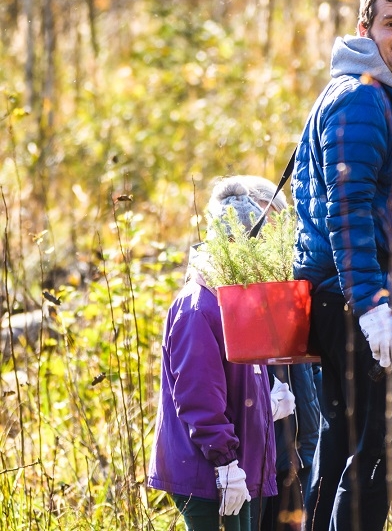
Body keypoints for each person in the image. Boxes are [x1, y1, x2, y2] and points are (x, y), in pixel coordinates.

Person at [291, 0, 392, 531]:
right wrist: (373, 303)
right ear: (364, 29)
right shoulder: (362, 100)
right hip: (355, 297)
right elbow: (344, 208)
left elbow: (357, 199)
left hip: (342, 291)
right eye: (391, 23)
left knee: (344, 443)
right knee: (388, 449)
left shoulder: (372, 95)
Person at [147, 176, 297, 531]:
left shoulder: (234, 298)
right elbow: (199, 396)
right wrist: (224, 462)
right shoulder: (198, 307)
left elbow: (243, 379)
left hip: (241, 466)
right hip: (208, 475)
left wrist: (267, 403)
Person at [240, 175, 322, 531]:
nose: (267, 238)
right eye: (260, 224)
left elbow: (311, 368)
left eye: (276, 226)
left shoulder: (289, 285)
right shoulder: (233, 293)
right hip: (258, 468)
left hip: (301, 455)